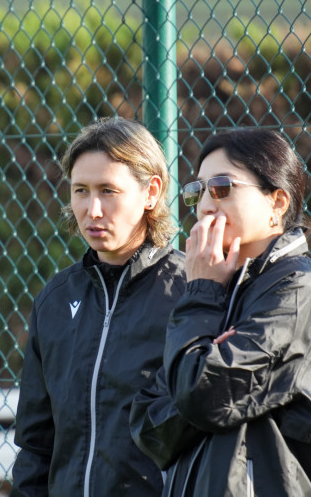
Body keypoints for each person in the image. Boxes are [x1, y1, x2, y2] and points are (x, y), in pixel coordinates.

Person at [130, 128, 311, 496]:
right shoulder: (216, 288)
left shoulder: (298, 288)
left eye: (222, 188)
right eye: (198, 190)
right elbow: (148, 424)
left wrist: (202, 297)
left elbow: (201, 395)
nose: (206, 205)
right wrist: (203, 362)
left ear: (277, 202)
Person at [10, 117, 186, 496]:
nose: (92, 209)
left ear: (151, 192)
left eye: (108, 191)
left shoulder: (190, 294)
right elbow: (35, 445)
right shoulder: (54, 301)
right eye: (81, 191)